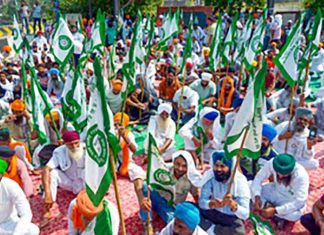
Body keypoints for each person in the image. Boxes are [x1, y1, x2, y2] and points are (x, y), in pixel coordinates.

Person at [134, 151, 201, 231]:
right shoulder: (164, 169)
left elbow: (196, 196)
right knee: (145, 187)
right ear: (173, 162)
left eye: (184, 166)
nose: (180, 168)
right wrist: (141, 199)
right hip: (156, 198)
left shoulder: (191, 177)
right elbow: (138, 178)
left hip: (170, 207)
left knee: (176, 224)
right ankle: (147, 224)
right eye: (177, 164)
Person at [198, 151, 250, 235]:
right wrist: (211, 204)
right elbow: (202, 202)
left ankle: (212, 230)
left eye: (222, 166)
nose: (218, 169)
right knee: (188, 209)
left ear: (229, 167)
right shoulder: (211, 177)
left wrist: (233, 205)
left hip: (229, 218)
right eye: (216, 166)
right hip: (212, 213)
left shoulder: (240, 181)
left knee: (239, 232)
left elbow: (245, 214)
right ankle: (212, 229)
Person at [251, 154, 309, 229]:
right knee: (250, 187)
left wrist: (276, 210)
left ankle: (272, 212)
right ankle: (268, 207)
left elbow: (300, 201)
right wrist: (257, 196)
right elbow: (258, 178)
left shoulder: (301, 176)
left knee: (295, 215)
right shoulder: (272, 163)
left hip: (289, 199)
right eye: (278, 173)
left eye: (284, 175)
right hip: (274, 190)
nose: (280, 176)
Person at [41, 130, 85, 226]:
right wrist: (48, 193)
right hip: (69, 182)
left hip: (84, 185)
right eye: (70, 144)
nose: (74, 147)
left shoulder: (87, 149)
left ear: (79, 141)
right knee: (52, 173)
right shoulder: (59, 151)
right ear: (65, 144)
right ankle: (47, 211)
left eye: (76, 143)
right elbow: (46, 169)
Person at [0, 159, 40, 235]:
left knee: (32, 230)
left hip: (7, 224)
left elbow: (26, 214)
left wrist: (17, 233)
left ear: (1, 175)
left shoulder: (10, 185)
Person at [113, 112, 143, 180]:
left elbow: (134, 150)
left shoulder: (128, 134)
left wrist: (124, 137)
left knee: (138, 173)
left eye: (120, 124)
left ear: (124, 125)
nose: (117, 127)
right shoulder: (112, 134)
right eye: (115, 124)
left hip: (126, 162)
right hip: (112, 161)